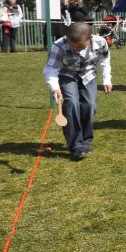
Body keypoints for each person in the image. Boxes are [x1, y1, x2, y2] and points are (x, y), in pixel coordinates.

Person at [42, 22, 113, 160]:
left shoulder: (101, 42)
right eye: (72, 46)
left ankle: (85, 141)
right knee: (71, 104)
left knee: (90, 105)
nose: (76, 49)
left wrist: (106, 79)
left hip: (88, 74)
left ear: (90, 38)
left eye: (81, 47)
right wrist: (55, 88)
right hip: (66, 74)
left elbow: (105, 60)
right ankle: (75, 145)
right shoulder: (59, 45)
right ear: (68, 39)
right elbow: (50, 69)